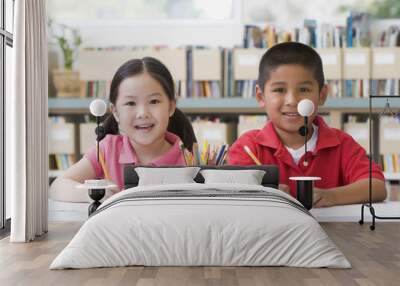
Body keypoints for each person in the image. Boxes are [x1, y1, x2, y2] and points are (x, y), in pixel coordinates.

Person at [228, 42, 386, 208]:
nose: (292, 101)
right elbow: (232, 192)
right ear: (261, 96)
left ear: (322, 95)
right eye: (279, 90)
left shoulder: (341, 143)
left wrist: (330, 196)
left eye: (303, 90)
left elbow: (376, 186)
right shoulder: (249, 146)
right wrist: (269, 193)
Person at [50, 57, 197, 202]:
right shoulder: (107, 150)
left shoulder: (188, 161)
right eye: (130, 103)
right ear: (115, 112)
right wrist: (92, 194)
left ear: (171, 107)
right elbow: (58, 186)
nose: (142, 113)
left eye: (154, 101)